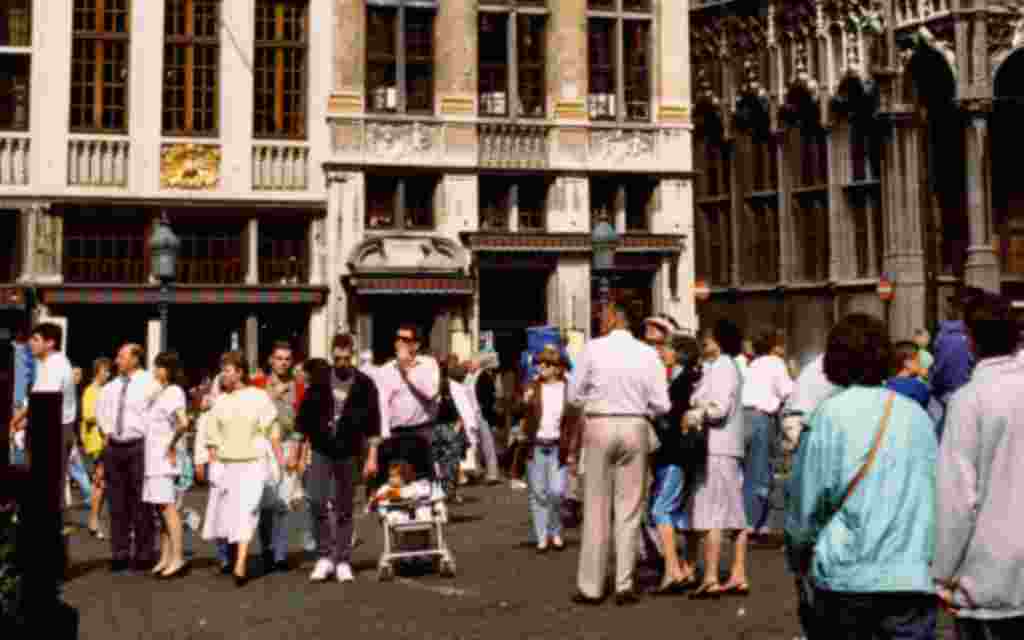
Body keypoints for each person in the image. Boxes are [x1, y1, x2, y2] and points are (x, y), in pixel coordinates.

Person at [786, 313, 938, 640]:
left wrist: (798, 557)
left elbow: (806, 502)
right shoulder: (918, 417)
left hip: (846, 574)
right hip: (909, 574)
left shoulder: (828, 415)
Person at [934, 292, 1024, 638]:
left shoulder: (969, 401)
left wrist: (942, 573)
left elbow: (957, 499)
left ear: (971, 341)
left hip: (989, 574)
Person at [568, 304, 670, 606]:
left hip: (599, 422)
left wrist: (594, 398)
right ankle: (624, 583)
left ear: (615, 318)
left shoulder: (593, 348)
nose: (600, 318)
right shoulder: (647, 353)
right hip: (634, 424)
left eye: (604, 314)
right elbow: (662, 404)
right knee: (630, 508)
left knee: (596, 507)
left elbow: (573, 395)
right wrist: (639, 405)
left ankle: (592, 586)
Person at [295, 333, 381, 584]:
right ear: (332, 355)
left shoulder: (365, 383)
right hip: (321, 449)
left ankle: (342, 559)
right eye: (337, 358)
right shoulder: (320, 379)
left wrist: (372, 457)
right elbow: (304, 417)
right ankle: (324, 556)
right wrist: (296, 454)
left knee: (344, 506)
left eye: (346, 358)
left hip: (349, 451)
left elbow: (374, 422)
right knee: (316, 500)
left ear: (352, 355)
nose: (342, 363)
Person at [684, 319, 748, 599]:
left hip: (717, 446)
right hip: (726, 446)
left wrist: (695, 413)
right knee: (732, 511)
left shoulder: (722, 366)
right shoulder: (724, 366)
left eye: (707, 339)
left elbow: (718, 408)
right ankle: (737, 573)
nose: (703, 343)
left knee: (714, 512)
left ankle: (711, 576)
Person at [203, 351, 278, 587]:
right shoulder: (220, 402)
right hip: (229, 465)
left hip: (253, 463)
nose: (223, 375)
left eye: (227, 370)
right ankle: (235, 557)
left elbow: (271, 427)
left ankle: (241, 563)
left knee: (247, 511)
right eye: (222, 370)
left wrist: (278, 457)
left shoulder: (258, 397)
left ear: (240, 372)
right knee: (231, 515)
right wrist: (214, 461)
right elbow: (211, 434)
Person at [643, 320, 702, 594]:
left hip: (675, 454)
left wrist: (656, 417)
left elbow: (673, 418)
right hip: (679, 455)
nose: (661, 351)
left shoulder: (682, 382)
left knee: (660, 509)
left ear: (679, 353)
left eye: (666, 347)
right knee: (679, 511)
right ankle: (686, 567)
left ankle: (672, 570)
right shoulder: (685, 379)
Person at [99, 343, 158, 573]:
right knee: (116, 503)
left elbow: (156, 416)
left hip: (138, 446)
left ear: (135, 359)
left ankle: (144, 554)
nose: (117, 361)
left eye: (122, 357)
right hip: (114, 447)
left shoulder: (150, 384)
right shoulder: (111, 387)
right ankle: (120, 553)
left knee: (141, 502)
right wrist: (106, 435)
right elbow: (102, 413)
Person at [251, 341, 306, 574]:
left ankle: (281, 553)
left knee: (283, 503)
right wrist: (272, 393)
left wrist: (297, 451)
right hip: (263, 447)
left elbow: (301, 422)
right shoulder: (257, 385)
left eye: (287, 359)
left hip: (287, 445)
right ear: (271, 360)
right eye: (279, 358)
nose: (283, 363)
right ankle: (267, 549)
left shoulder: (299, 387)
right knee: (265, 502)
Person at [9, 324, 78, 509]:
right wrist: (19, 421)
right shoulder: (49, 363)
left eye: (36, 339)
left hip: (54, 431)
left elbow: (43, 404)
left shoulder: (55, 365)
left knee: (47, 487)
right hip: (51, 427)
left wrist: (16, 422)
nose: (30, 343)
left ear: (50, 343)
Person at [521, 346, 581, 554]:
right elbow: (520, 411)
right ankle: (542, 537)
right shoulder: (532, 386)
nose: (541, 367)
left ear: (557, 368)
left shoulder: (568, 388)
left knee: (557, 491)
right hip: (536, 445)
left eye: (546, 364)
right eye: (539, 363)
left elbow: (574, 422)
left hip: (558, 447)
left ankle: (555, 529)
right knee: (538, 493)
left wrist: (573, 450)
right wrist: (525, 402)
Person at [741, 328, 793, 546]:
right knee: (760, 472)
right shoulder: (775, 363)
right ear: (774, 346)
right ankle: (754, 525)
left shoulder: (751, 365)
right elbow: (788, 392)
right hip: (761, 418)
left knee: (745, 473)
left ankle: (748, 522)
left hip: (742, 417)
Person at [144, 351, 190, 579]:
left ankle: (178, 557)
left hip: (163, 459)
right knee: (159, 509)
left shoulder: (174, 391)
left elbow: (183, 422)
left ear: (167, 369)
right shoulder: (160, 392)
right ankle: (165, 556)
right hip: (152, 458)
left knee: (167, 508)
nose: (155, 371)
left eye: (158, 367)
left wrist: (171, 445)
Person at [375, 324, 440, 485]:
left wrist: (407, 370)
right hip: (395, 433)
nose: (399, 343)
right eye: (397, 338)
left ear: (416, 345)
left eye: (405, 339)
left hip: (422, 431)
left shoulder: (428, 364)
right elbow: (382, 404)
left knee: (423, 482)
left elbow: (431, 392)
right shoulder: (385, 370)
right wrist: (384, 435)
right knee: (396, 483)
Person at [81, 357, 112, 538]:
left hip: (105, 441)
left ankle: (95, 521)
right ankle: (94, 520)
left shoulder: (103, 390)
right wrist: (106, 417)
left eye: (108, 371)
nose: (108, 374)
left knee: (103, 483)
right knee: (100, 482)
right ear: (98, 371)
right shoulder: (91, 391)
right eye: (105, 371)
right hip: (97, 442)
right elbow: (88, 416)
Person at [465, 352, 502, 484]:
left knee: (487, 443)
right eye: (469, 363)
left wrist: (484, 407)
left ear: (478, 363)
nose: (469, 365)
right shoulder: (467, 377)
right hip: (469, 414)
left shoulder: (484, 375)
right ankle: (476, 470)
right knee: (473, 443)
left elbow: (490, 395)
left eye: (471, 362)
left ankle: (492, 473)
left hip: (482, 413)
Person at [886, 341, 931, 410]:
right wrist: (928, 378)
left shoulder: (887, 383)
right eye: (918, 361)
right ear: (908, 363)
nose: (920, 365)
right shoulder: (917, 387)